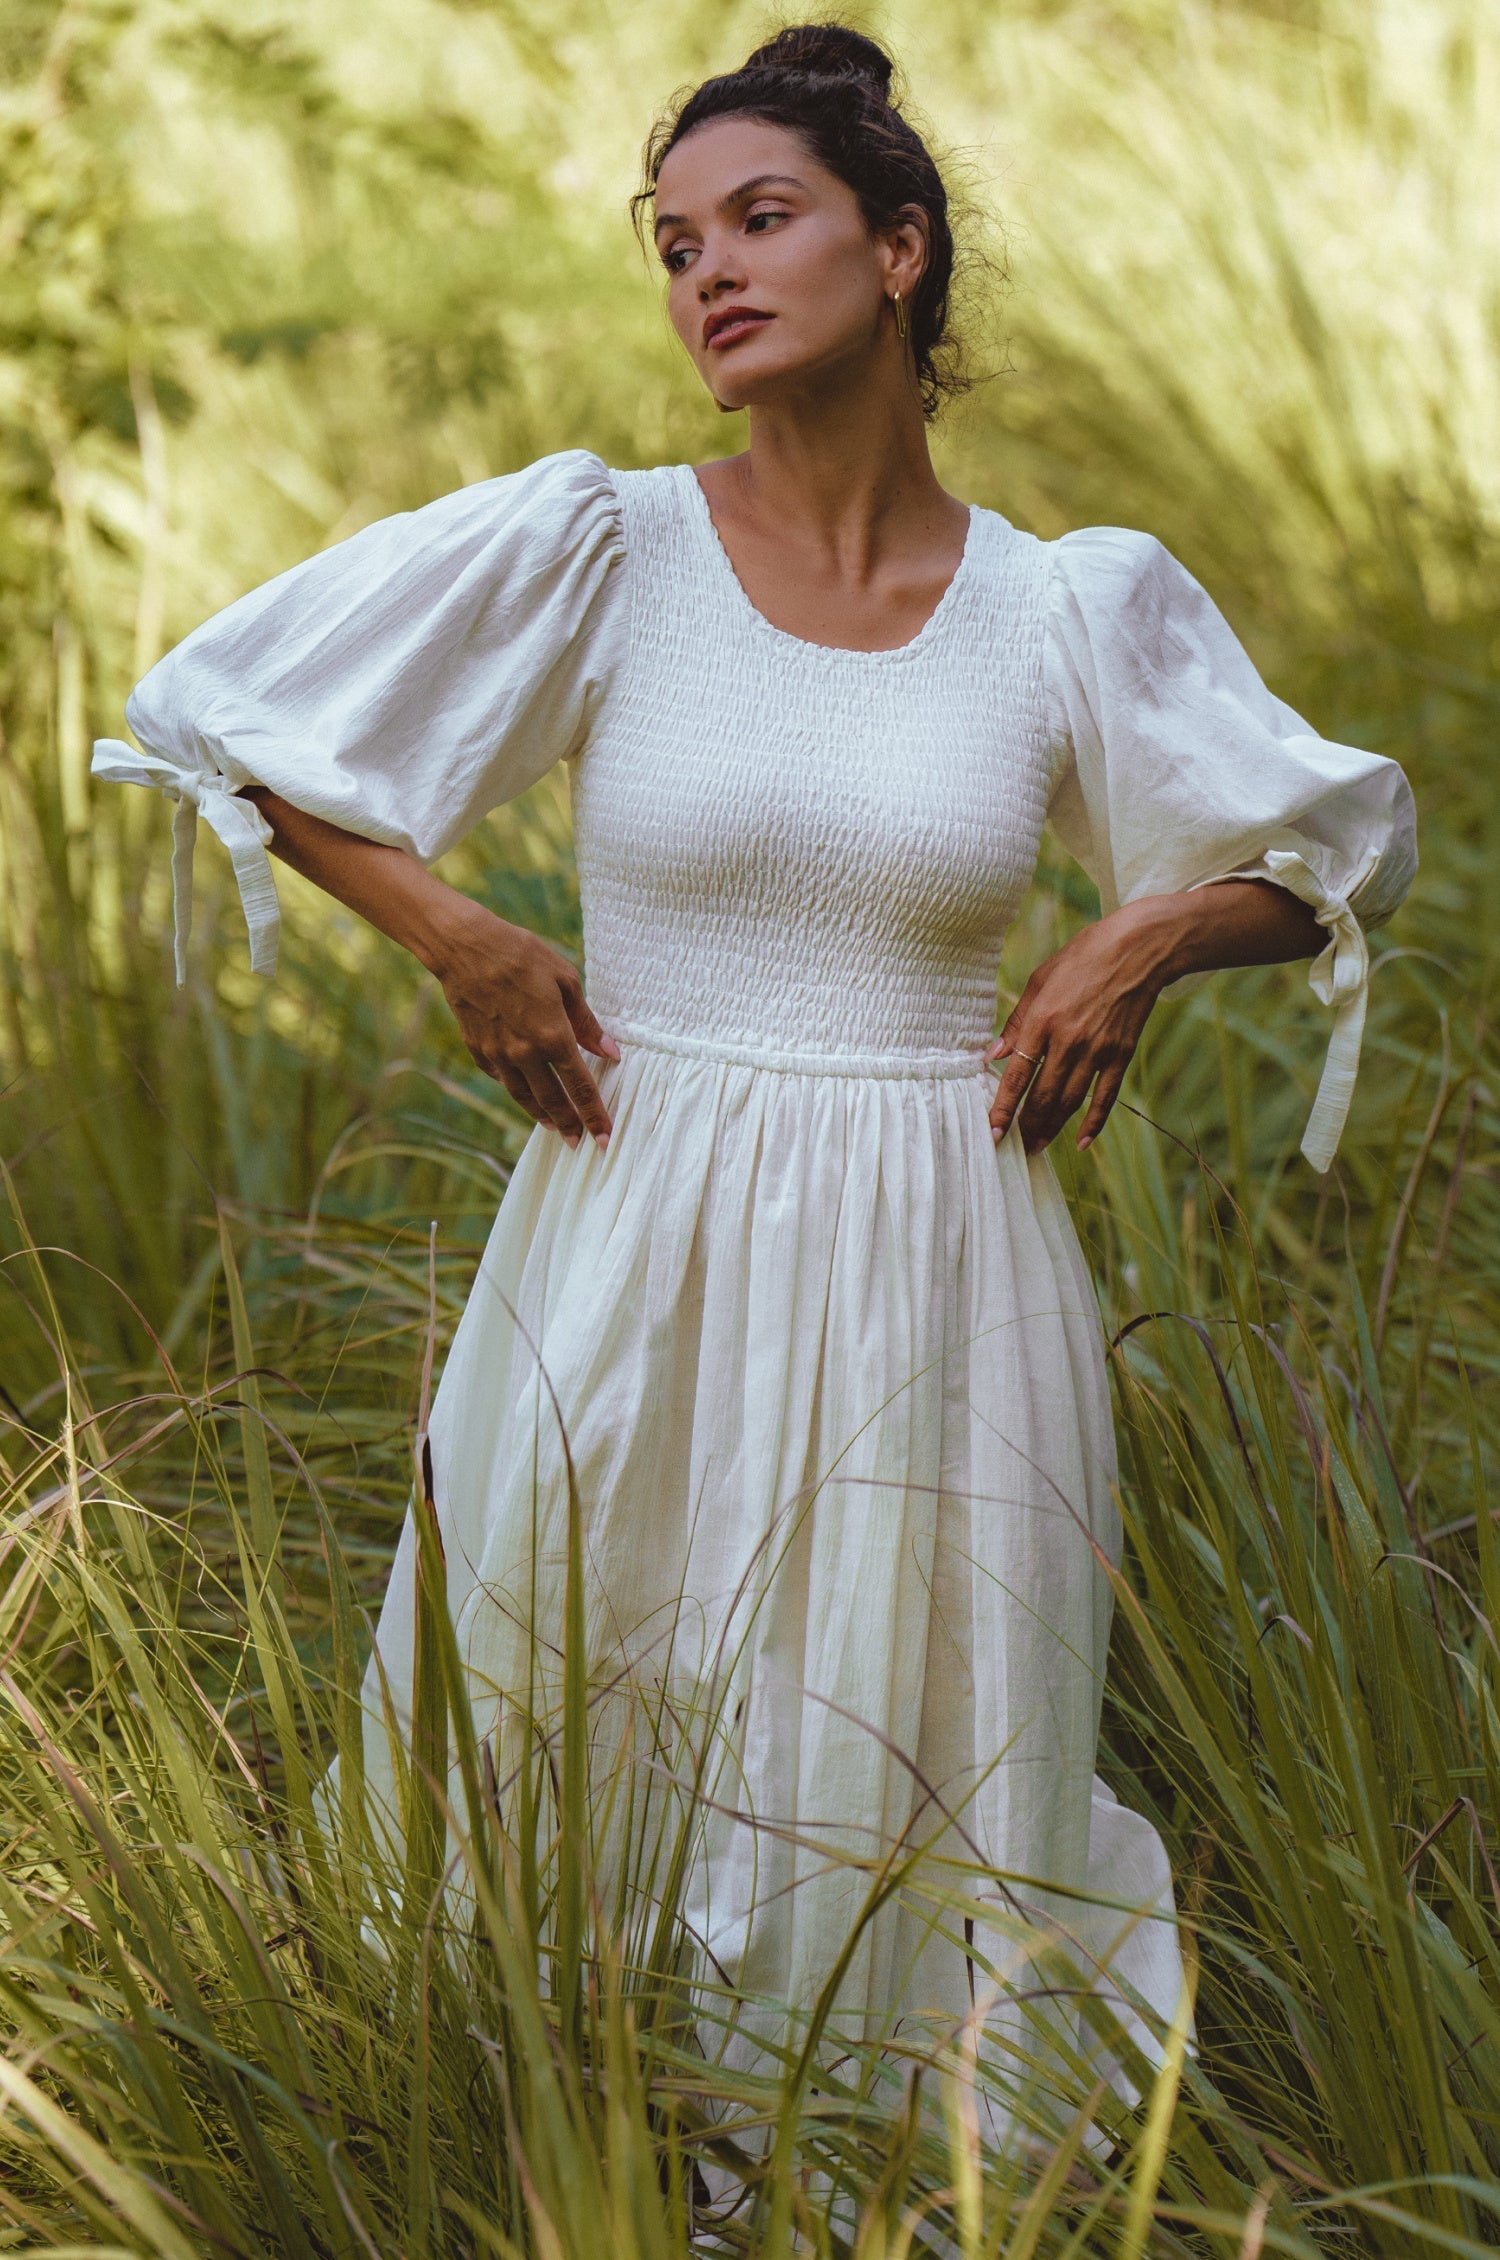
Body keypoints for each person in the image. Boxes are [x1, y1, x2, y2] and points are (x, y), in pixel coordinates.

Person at [95, 23, 1415, 2103]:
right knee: (571, 1705)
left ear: (900, 250)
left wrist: (1149, 932)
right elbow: (222, 722)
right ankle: (531, 2138)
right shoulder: (605, 548)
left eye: (761, 218)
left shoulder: (1060, 608)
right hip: (636, 1225)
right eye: (675, 241)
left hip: (942, 1262)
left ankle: (875, 2157)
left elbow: (1338, 844)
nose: (707, 268)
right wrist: (457, 935)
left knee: (905, 1736)